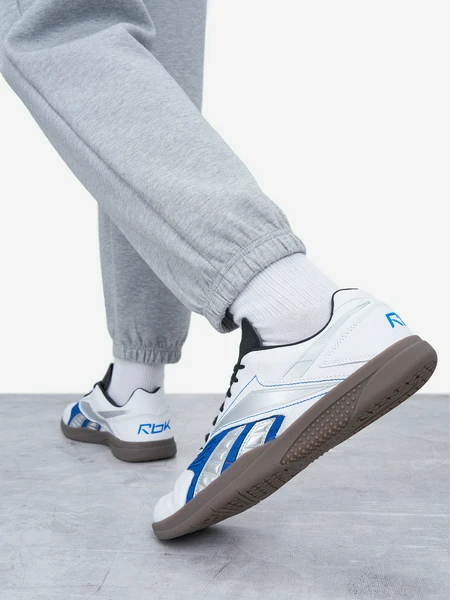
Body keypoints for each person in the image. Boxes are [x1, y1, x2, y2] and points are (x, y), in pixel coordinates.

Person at [0, 0, 437, 540]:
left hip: (291, 314)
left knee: (55, 26)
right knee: (146, 63)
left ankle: (291, 315)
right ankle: (134, 388)